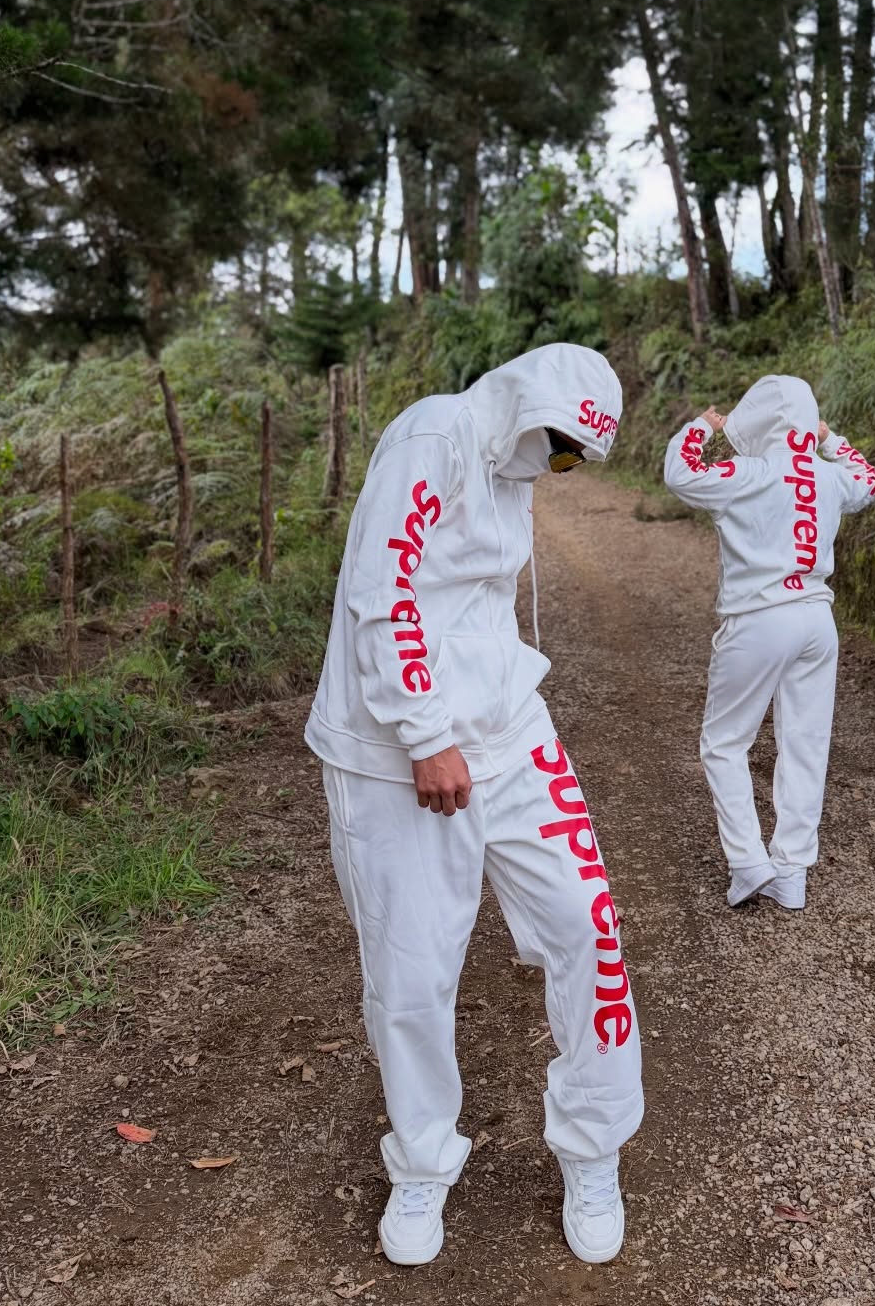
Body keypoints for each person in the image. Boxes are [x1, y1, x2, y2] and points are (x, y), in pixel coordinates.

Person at [306, 344, 642, 1268]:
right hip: (394, 753)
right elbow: (383, 589)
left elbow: (477, 605)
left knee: (588, 927)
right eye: (561, 447)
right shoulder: (433, 438)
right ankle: (421, 1162)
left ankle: (595, 1145)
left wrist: (476, 718)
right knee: (411, 972)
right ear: (529, 406)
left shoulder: (510, 467)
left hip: (509, 731)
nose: (559, 467)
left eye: (575, 459)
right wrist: (425, 734)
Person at [663, 375, 875, 911]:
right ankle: (791, 873)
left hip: (759, 619)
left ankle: (747, 862)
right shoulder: (828, 477)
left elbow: (680, 473)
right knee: (806, 744)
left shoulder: (749, 473)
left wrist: (701, 427)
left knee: (724, 743)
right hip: (817, 621)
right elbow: (872, 481)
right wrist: (830, 440)